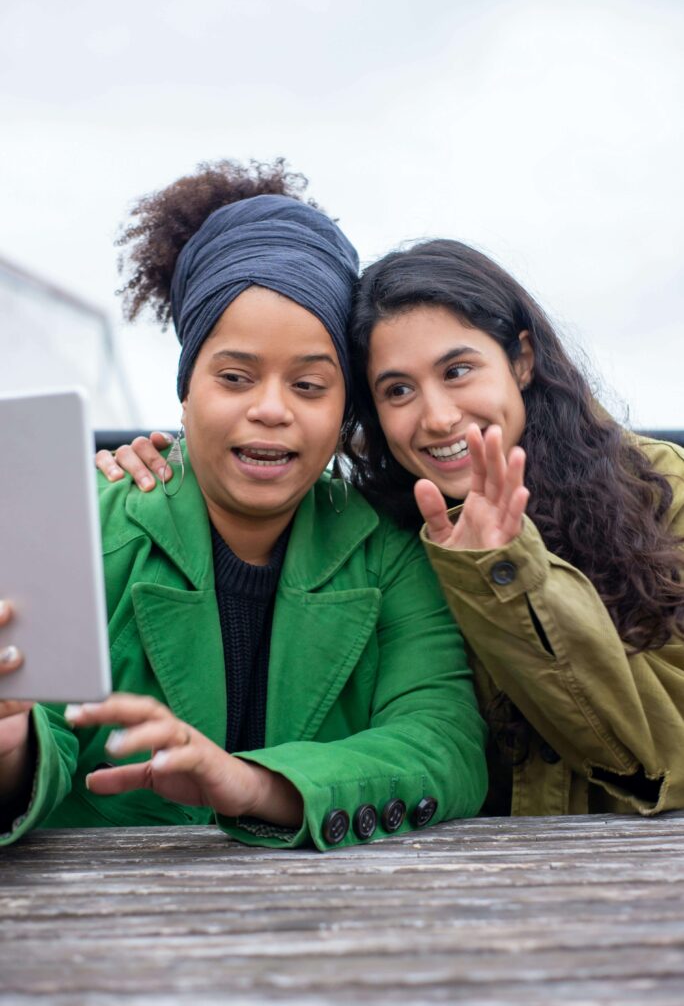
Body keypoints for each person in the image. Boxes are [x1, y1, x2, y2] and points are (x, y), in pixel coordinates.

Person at [0, 163, 487, 849]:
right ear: (185, 389)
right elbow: (38, 718)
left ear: (346, 407)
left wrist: (255, 785)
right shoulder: (84, 525)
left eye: (310, 385)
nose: (270, 409)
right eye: (234, 377)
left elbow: (442, 744)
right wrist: (11, 743)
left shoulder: (392, 548)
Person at [113, 233, 684, 818]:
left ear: (522, 359)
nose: (437, 417)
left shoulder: (659, 491)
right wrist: (171, 461)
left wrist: (505, 569)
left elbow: (665, 748)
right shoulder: (389, 528)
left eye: (458, 370)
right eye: (398, 390)